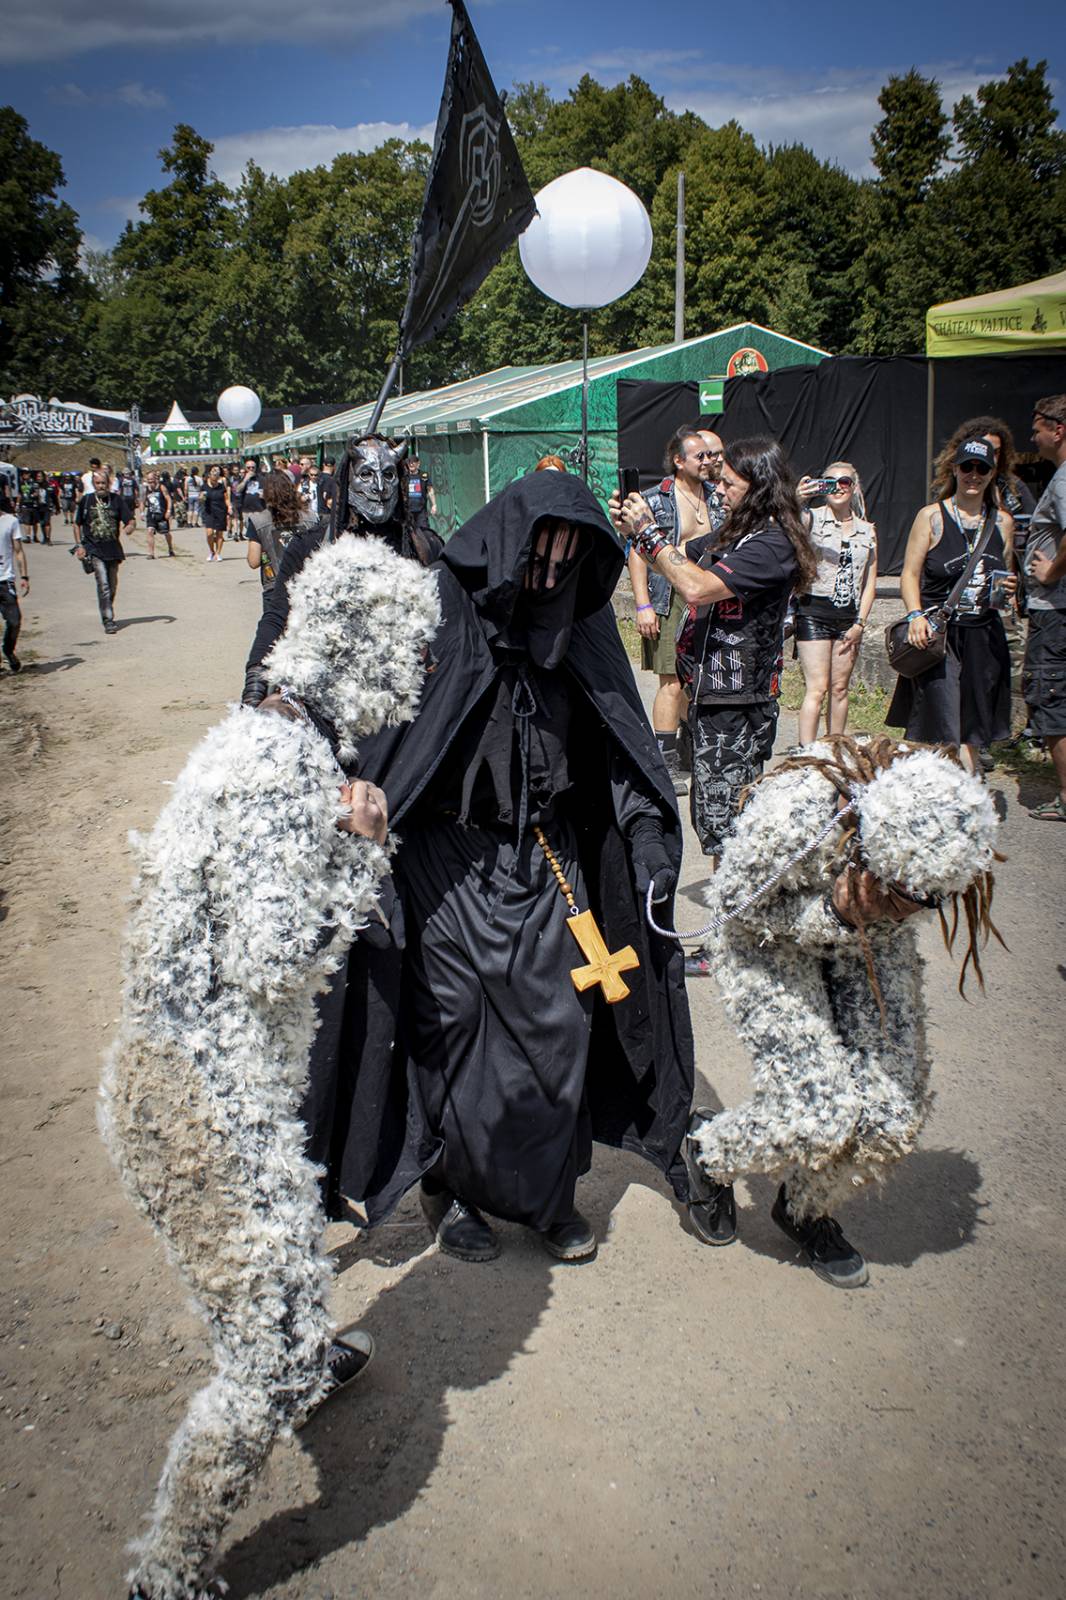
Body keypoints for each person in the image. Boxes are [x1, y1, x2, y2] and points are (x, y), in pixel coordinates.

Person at [103, 533, 439, 1600]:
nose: (416, 681)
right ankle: (167, 1572)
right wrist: (360, 843)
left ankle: (297, 1331)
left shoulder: (265, 734)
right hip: (193, 1102)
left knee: (283, 1250)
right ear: (365, 652)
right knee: (272, 1354)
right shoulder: (282, 769)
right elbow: (271, 956)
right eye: (409, 657)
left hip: (201, 1079)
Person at [342, 470, 696, 1264]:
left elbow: (623, 747)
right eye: (537, 559)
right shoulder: (437, 605)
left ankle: (546, 1199)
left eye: (568, 562)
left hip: (546, 858)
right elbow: (379, 732)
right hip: (446, 859)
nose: (548, 577)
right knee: (456, 1031)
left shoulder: (582, 618)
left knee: (558, 1029)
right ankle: (454, 1191)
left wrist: (645, 841)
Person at [684, 736, 1001, 1286]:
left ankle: (804, 1206)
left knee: (891, 1115)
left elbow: (902, 904)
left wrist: (881, 914)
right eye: (907, 894)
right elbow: (736, 910)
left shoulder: (943, 818)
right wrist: (834, 911)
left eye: (926, 902)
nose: (916, 910)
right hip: (768, 939)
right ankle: (710, 1152)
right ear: (868, 844)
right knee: (817, 1114)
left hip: (868, 935)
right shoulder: (793, 815)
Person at [615, 434, 815, 878]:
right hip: (713, 698)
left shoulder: (773, 544)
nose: (718, 489)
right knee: (715, 823)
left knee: (731, 829)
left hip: (739, 704)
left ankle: (733, 930)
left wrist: (649, 532)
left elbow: (697, 588)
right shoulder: (735, 535)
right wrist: (636, 529)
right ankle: (731, 923)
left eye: (728, 483)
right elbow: (677, 560)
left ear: (758, 486)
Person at [886, 436, 1015, 772]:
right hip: (939, 637)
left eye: (982, 468)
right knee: (940, 721)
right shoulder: (932, 517)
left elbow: (1003, 577)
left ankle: (967, 794)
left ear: (992, 473)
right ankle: (934, 790)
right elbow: (909, 575)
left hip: (984, 636)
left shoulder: (1002, 522)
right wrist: (915, 616)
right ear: (954, 469)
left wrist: (1009, 589)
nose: (974, 474)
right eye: (967, 467)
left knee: (974, 728)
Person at [627, 426, 726, 795]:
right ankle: (663, 763)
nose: (707, 461)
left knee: (697, 680)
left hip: (708, 594)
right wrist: (643, 605)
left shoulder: (718, 497)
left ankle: (688, 749)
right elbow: (638, 553)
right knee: (670, 681)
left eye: (710, 455)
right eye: (699, 456)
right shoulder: (656, 500)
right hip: (670, 597)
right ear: (678, 460)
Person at [795, 462, 877, 745]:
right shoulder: (812, 518)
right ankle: (807, 754)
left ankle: (834, 749)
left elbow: (869, 584)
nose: (838, 487)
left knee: (840, 688)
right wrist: (799, 498)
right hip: (814, 610)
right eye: (830, 482)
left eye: (844, 482)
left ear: (854, 487)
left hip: (848, 616)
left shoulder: (867, 530)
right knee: (817, 688)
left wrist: (860, 623)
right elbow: (785, 525)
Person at [1022, 394, 1066, 821]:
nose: (1032, 437)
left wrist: (1051, 571)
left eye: (1037, 429)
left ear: (1058, 429)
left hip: (1055, 611)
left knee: (1051, 698)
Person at [74, 467, 134, 634]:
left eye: (103, 483)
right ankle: (108, 619)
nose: (101, 486)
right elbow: (77, 524)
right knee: (104, 585)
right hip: (94, 549)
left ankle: (107, 607)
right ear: (94, 484)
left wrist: (130, 527)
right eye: (98, 483)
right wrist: (80, 545)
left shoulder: (116, 500)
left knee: (112, 585)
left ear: (109, 483)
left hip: (113, 549)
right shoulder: (86, 501)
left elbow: (130, 519)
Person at [246, 470, 317, 606]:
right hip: (306, 585)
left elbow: (253, 562)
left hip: (274, 587)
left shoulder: (258, 521)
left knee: (275, 625)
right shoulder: (311, 518)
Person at [0, 495, 29, 674]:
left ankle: (8, 650)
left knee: (14, 621)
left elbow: (18, 551)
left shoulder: (10, 521)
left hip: (5, 579)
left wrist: (24, 576)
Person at [142, 470, 174, 559]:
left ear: (155, 479)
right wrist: (141, 512)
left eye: (151, 479)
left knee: (166, 533)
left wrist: (168, 510)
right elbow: (142, 501)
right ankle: (151, 553)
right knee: (150, 531)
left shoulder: (161, 487)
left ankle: (170, 548)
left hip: (162, 514)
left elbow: (169, 499)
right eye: (148, 480)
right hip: (151, 514)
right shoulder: (146, 489)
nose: (150, 482)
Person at [201, 465, 229, 561]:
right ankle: (212, 551)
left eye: (217, 477)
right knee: (209, 533)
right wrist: (201, 497)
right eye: (213, 476)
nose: (215, 479)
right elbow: (200, 498)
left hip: (220, 511)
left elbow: (226, 498)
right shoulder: (204, 486)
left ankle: (218, 553)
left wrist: (229, 507)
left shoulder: (221, 487)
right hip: (209, 511)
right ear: (209, 476)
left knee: (219, 534)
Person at [405, 452, 437, 521]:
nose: (411, 464)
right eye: (409, 462)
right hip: (407, 511)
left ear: (418, 463)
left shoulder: (424, 475)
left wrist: (434, 505)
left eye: (413, 462)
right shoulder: (404, 476)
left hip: (421, 511)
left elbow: (430, 490)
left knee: (423, 529)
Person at [34, 471, 54, 544]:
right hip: (38, 507)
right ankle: (45, 537)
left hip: (47, 506)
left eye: (40, 476)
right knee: (42, 523)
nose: (39, 478)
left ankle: (48, 538)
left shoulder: (48, 486)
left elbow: (53, 497)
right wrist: (33, 495)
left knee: (47, 522)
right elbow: (29, 495)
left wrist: (57, 507)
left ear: (44, 477)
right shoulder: (34, 485)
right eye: (38, 476)